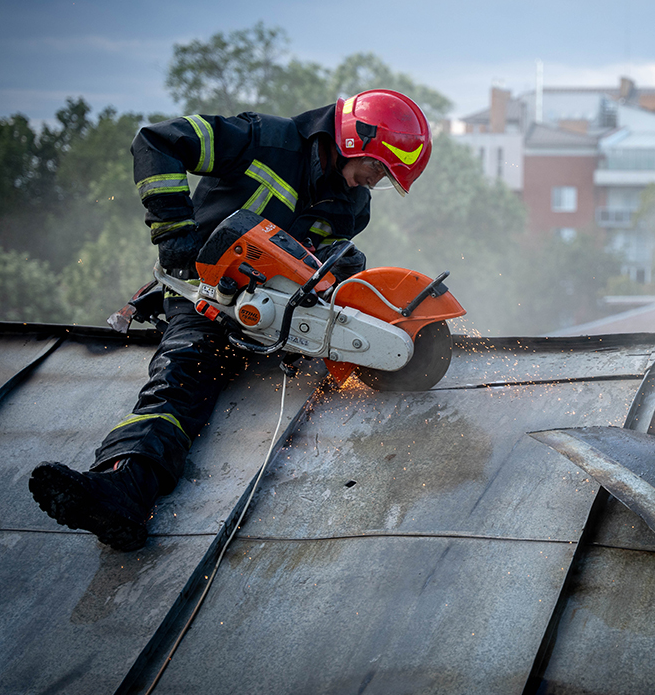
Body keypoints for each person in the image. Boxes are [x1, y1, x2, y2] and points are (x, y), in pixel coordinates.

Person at [29, 89, 433, 551]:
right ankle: (121, 490)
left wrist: (339, 270)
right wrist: (175, 232)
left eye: (382, 178)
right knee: (182, 375)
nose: (370, 182)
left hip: (275, 320)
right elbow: (156, 142)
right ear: (353, 137)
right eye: (377, 168)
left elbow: (315, 261)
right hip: (204, 293)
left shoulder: (352, 205)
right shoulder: (261, 139)